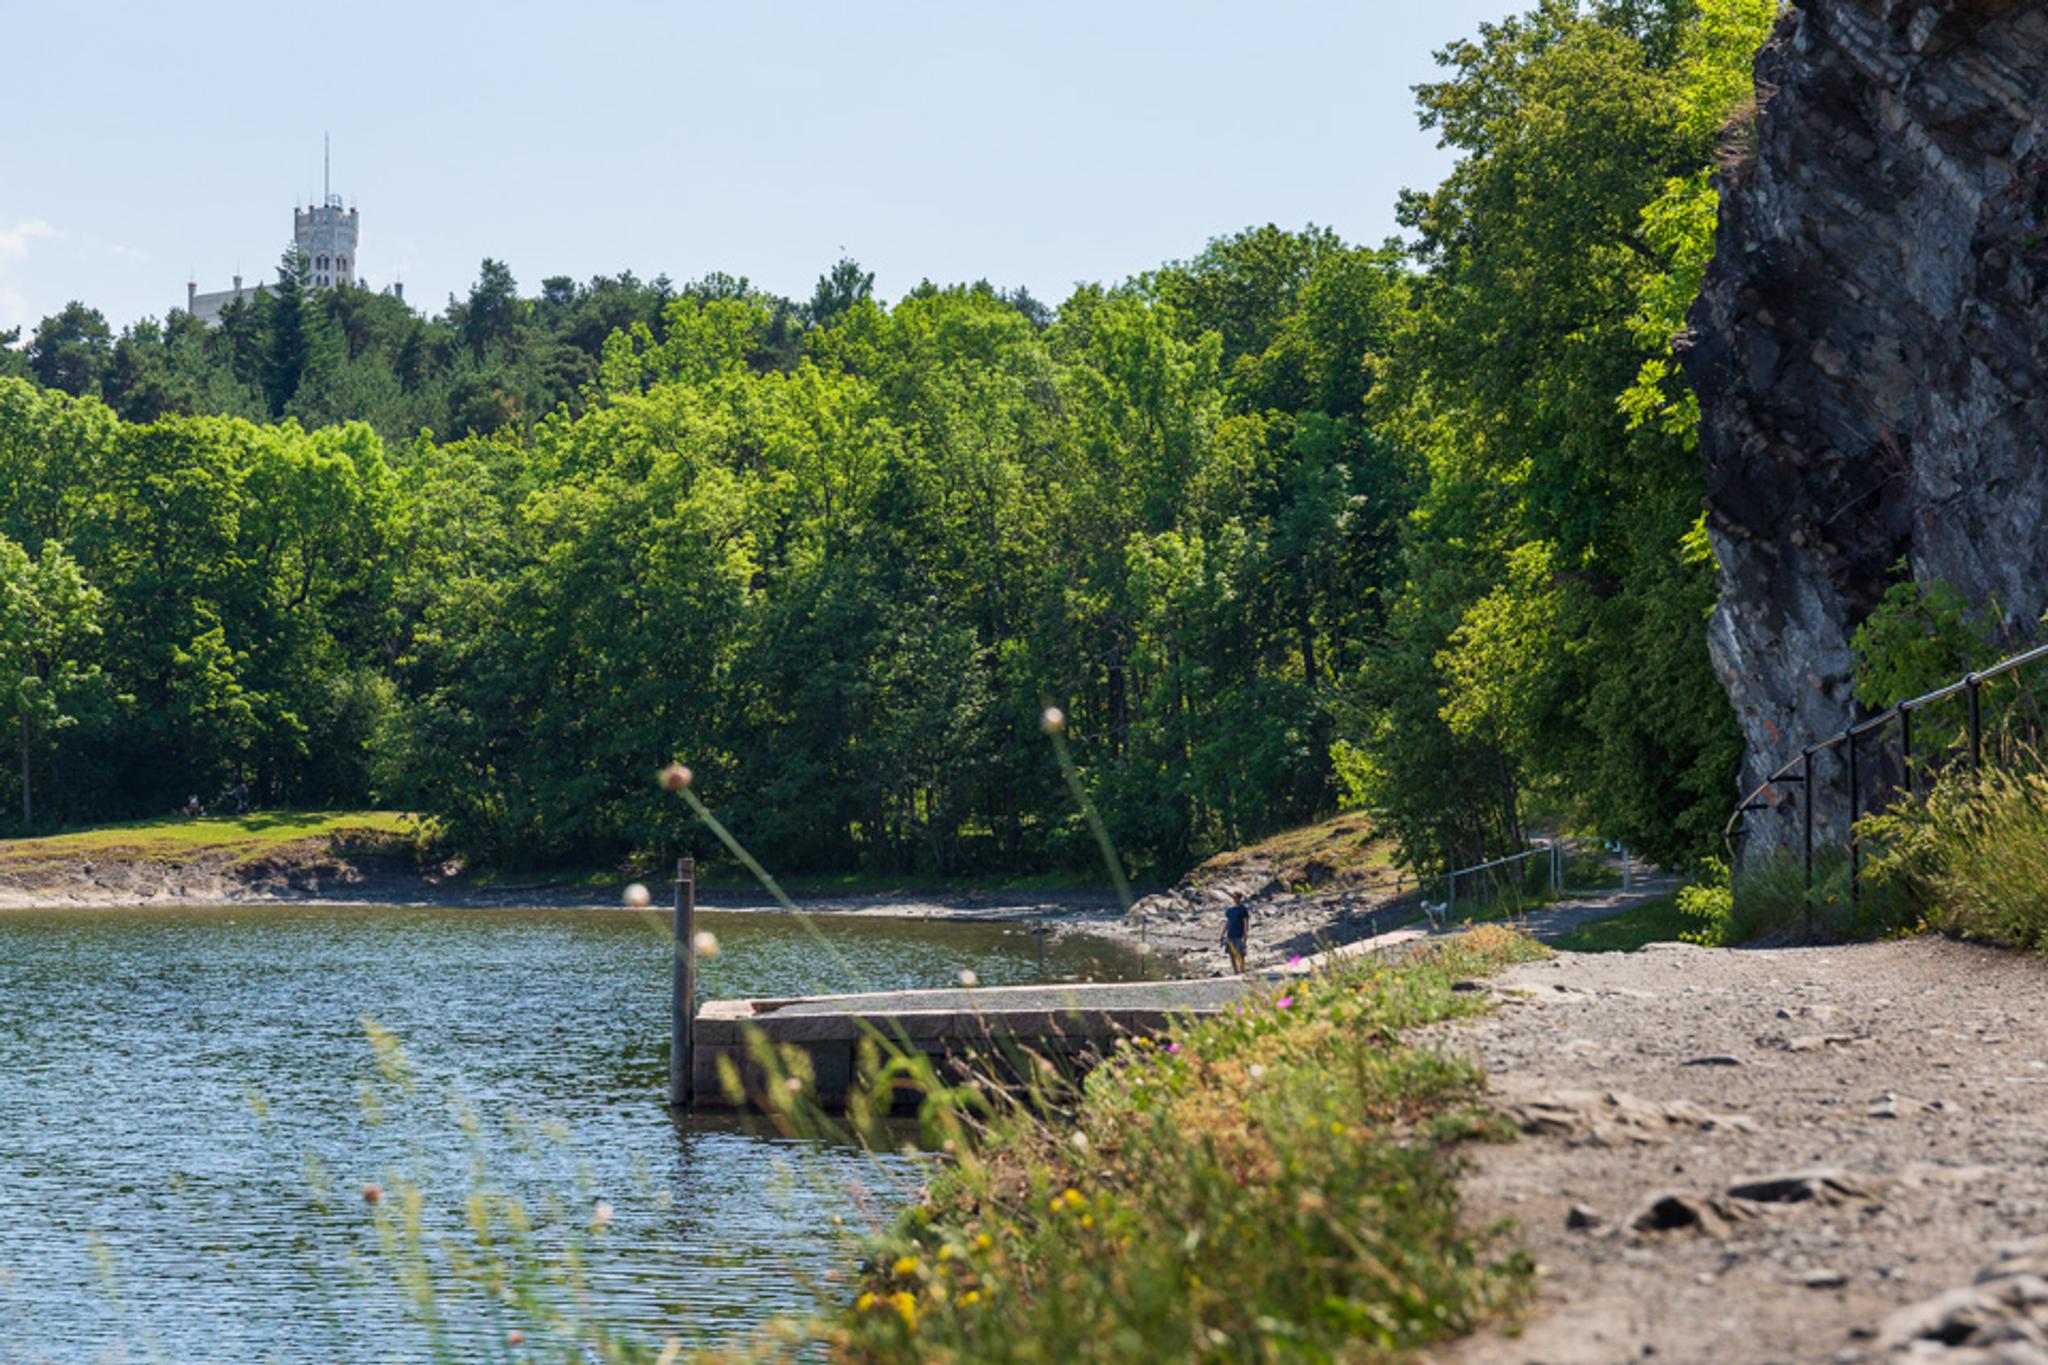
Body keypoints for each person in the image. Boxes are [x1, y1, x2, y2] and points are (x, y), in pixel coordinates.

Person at [1222, 892, 1249, 973]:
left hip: (1239, 934)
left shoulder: (1243, 909)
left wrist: (1245, 933)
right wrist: (1223, 933)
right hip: (1230, 934)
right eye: (1234, 898)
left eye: (1237, 898)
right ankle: (1235, 971)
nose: (1235, 899)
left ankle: (1242, 969)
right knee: (1231, 953)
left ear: (1240, 899)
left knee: (1241, 953)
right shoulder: (1230, 910)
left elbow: (1245, 922)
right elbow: (1227, 922)